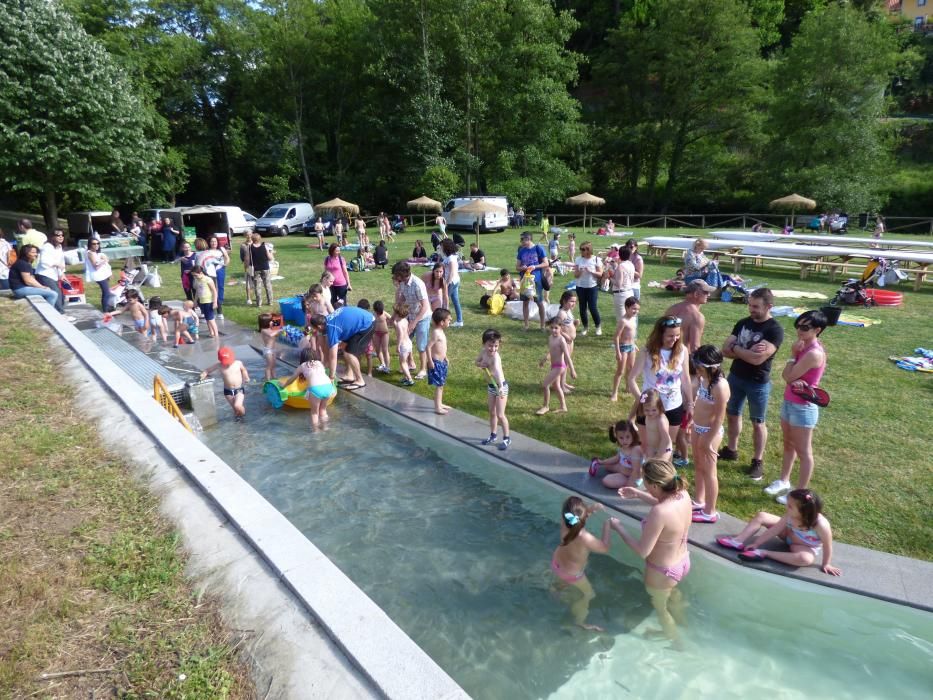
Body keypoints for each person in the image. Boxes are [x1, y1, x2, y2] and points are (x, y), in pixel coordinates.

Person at [611, 460, 692, 644]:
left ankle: (677, 644)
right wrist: (638, 494)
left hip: (662, 571)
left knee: (661, 609)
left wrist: (619, 528)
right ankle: (683, 624)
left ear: (655, 485)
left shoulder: (658, 512)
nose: (644, 485)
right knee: (672, 593)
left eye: (645, 483)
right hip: (683, 562)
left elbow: (643, 551)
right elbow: (664, 501)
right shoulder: (682, 494)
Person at [719, 288, 784, 481]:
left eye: (756, 306)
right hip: (736, 377)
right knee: (732, 414)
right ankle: (732, 449)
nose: (751, 309)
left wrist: (737, 348)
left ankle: (757, 460)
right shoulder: (742, 323)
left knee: (758, 422)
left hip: (758, 382)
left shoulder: (774, 330)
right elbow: (724, 349)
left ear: (769, 306)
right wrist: (745, 351)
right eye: (750, 305)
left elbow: (758, 360)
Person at [765, 310, 828, 504]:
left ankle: (800, 494)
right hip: (790, 401)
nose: (799, 330)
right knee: (788, 444)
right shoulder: (803, 347)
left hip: (803, 407)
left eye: (805, 327)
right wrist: (793, 360)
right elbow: (788, 376)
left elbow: (788, 376)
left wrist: (792, 356)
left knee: (804, 451)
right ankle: (784, 481)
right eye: (798, 325)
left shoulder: (813, 353)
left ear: (817, 330)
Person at [716, 489, 841, 576]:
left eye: (790, 506)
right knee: (762, 516)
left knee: (805, 559)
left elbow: (827, 545)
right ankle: (738, 541)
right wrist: (757, 543)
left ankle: (765, 553)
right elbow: (776, 529)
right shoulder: (790, 515)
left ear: (804, 512)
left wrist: (826, 564)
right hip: (787, 533)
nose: (786, 507)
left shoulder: (821, 524)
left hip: (802, 546)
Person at [627, 316, 693, 450]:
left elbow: (685, 378)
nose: (674, 339)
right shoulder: (647, 352)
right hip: (650, 407)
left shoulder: (682, 351)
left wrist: (691, 404)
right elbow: (631, 379)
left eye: (677, 335)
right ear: (660, 334)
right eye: (670, 336)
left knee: (667, 446)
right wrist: (642, 400)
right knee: (646, 446)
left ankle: (662, 470)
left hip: (673, 405)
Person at [551, 497, 612, 632]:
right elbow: (605, 548)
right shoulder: (585, 538)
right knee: (589, 595)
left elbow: (576, 520)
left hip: (556, 563)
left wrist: (590, 509)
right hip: (572, 574)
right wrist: (607, 526)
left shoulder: (565, 522)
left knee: (561, 581)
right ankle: (580, 622)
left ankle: (556, 590)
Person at [689, 345, 730, 524]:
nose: (696, 369)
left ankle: (710, 511)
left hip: (709, 432)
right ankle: (699, 500)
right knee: (698, 465)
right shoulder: (704, 378)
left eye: (699, 366)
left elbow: (720, 417)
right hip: (698, 428)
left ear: (712, 367)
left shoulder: (720, 386)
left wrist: (708, 439)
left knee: (709, 471)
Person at [310, 305, 375, 390]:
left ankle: (360, 381)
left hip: (367, 324)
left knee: (349, 354)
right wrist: (324, 367)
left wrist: (331, 377)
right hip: (358, 322)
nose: (316, 331)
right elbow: (326, 351)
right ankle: (350, 375)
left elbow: (333, 357)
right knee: (345, 348)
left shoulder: (332, 328)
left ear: (319, 326)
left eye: (315, 329)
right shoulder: (327, 320)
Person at [278, 347, 336, 429]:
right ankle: (326, 428)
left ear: (303, 358)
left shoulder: (302, 366)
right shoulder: (319, 363)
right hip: (328, 387)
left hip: (316, 390)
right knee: (323, 410)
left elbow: (291, 380)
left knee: (314, 413)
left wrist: (283, 386)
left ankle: (316, 433)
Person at [392, 261, 431, 379]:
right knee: (406, 341)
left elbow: (425, 306)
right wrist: (394, 315)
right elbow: (403, 298)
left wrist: (414, 323)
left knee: (421, 344)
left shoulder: (417, 284)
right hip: (410, 315)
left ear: (402, 274)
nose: (394, 277)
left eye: (396, 275)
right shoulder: (403, 283)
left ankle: (423, 369)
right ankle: (410, 363)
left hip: (422, 317)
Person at [476, 328, 510, 450]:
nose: (493, 349)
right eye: (490, 346)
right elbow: (476, 362)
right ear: (484, 344)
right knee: (492, 413)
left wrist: (500, 387)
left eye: (496, 346)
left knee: (500, 414)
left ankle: (507, 438)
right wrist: (481, 364)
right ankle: (493, 435)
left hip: (501, 387)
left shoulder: (496, 358)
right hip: (491, 387)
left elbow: (497, 373)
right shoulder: (483, 352)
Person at [536, 317, 576, 415]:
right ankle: (563, 407)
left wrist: (572, 370)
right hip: (554, 366)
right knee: (556, 386)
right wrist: (544, 359)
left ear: (561, 328)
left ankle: (546, 406)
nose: (553, 330)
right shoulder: (550, 338)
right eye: (552, 328)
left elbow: (567, 356)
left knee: (545, 384)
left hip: (560, 367)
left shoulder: (561, 340)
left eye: (556, 328)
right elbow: (552, 351)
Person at [200, 346, 249, 421]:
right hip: (228, 391)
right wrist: (204, 374)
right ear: (220, 360)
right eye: (226, 362)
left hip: (239, 389)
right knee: (235, 409)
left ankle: (244, 417)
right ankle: (239, 420)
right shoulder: (219, 365)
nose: (228, 364)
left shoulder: (238, 363)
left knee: (237, 405)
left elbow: (244, 370)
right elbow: (207, 370)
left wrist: (246, 377)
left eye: (229, 361)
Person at [594, 420, 643, 490]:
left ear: (633, 435)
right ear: (617, 437)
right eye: (621, 438)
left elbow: (637, 472)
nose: (624, 441)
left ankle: (624, 481)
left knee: (606, 481)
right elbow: (617, 458)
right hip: (623, 469)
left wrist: (628, 486)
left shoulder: (635, 450)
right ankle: (618, 471)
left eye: (627, 437)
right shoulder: (623, 447)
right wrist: (602, 462)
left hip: (630, 477)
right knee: (607, 466)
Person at [665, 279, 712, 353]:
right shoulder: (697, 317)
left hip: (664, 354)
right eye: (706, 292)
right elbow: (695, 347)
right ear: (696, 294)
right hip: (681, 357)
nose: (709, 294)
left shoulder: (671, 309)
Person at [9, 244, 61, 309]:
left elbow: (31, 278)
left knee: (48, 291)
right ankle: (49, 312)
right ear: (25, 253)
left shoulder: (26, 263)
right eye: (33, 252)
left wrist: (42, 287)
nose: (36, 254)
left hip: (23, 288)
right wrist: (42, 287)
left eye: (36, 252)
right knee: (53, 294)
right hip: (20, 289)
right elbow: (28, 281)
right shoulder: (23, 264)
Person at [610, 296, 640, 402]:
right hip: (623, 348)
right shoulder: (623, 321)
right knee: (620, 371)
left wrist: (634, 344)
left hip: (631, 347)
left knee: (631, 368)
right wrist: (618, 352)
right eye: (633, 309)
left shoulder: (634, 319)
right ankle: (614, 393)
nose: (635, 311)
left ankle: (628, 387)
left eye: (637, 309)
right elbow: (616, 337)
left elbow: (632, 334)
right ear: (626, 308)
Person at [516, 231, 548, 331]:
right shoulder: (521, 250)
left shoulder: (538, 248)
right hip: (525, 280)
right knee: (525, 302)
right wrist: (522, 268)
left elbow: (546, 263)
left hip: (536, 279)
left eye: (522, 239)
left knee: (539, 302)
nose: (521, 241)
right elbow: (517, 267)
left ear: (528, 239)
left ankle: (542, 325)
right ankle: (526, 325)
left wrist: (535, 266)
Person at [573, 242, 603, 336]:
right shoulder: (578, 259)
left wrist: (591, 271)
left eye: (583, 249)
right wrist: (580, 272)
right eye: (580, 249)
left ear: (588, 250)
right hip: (580, 287)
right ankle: (585, 327)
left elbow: (600, 274)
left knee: (592, 307)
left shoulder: (596, 259)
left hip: (592, 287)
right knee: (582, 308)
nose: (581, 251)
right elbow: (576, 275)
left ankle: (598, 326)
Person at [197, 236, 229, 319]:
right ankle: (209, 310)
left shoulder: (221, 250)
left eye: (215, 241)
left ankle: (219, 306)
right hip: (210, 273)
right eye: (212, 241)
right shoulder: (206, 252)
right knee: (209, 290)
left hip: (220, 270)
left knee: (219, 288)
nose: (214, 243)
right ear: (209, 243)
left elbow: (227, 259)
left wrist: (224, 263)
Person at [427, 308, 452, 414]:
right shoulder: (436, 333)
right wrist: (430, 361)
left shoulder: (440, 331)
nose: (450, 321)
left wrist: (445, 356)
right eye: (449, 320)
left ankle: (439, 403)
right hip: (436, 363)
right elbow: (428, 347)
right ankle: (437, 407)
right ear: (442, 322)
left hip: (442, 362)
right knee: (439, 386)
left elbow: (441, 347)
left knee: (441, 384)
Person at [35, 229, 67, 312]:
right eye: (58, 235)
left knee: (61, 295)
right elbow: (44, 262)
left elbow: (61, 262)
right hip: (44, 274)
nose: (61, 237)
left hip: (54, 275)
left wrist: (62, 274)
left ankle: (59, 312)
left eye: (62, 235)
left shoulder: (59, 247)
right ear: (52, 237)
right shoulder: (47, 247)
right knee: (56, 294)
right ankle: (61, 314)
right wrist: (56, 264)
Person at [636, 389, 673, 460]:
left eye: (654, 410)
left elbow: (666, 440)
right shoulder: (648, 417)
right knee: (648, 467)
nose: (650, 413)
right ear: (642, 408)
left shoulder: (660, 420)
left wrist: (660, 456)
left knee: (662, 469)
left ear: (659, 407)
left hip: (664, 449)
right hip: (651, 447)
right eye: (647, 410)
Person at [555, 291, 578, 393]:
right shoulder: (561, 313)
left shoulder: (568, 311)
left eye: (575, 302)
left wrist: (575, 323)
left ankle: (563, 382)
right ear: (564, 301)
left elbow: (568, 325)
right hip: (565, 341)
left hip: (570, 341)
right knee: (563, 363)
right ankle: (560, 385)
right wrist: (566, 336)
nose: (573, 304)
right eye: (571, 301)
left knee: (566, 363)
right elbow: (556, 328)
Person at [606, 245, 635, 324]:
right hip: (630, 291)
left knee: (621, 318)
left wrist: (609, 278)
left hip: (621, 294)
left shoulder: (621, 266)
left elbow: (619, 284)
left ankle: (622, 335)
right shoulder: (631, 264)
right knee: (630, 317)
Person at [83, 239, 114, 312]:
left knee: (106, 292)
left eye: (98, 243)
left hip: (102, 275)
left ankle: (106, 307)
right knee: (106, 292)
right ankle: (105, 310)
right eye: (94, 244)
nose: (96, 245)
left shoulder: (95, 253)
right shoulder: (90, 253)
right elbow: (96, 266)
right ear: (90, 245)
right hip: (98, 276)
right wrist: (104, 260)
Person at [247, 233, 275, 307]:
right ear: (260, 239)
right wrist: (271, 252)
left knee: (257, 286)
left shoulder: (250, 247)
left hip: (255, 269)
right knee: (268, 285)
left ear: (252, 239)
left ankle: (259, 303)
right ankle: (270, 302)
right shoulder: (264, 246)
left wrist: (247, 267)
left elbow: (248, 259)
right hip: (265, 268)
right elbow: (270, 258)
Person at [191, 266, 219, 338]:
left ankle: (216, 334)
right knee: (207, 318)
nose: (194, 277)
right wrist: (195, 301)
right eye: (193, 275)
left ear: (201, 273)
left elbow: (214, 291)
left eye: (195, 275)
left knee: (211, 319)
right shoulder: (197, 280)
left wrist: (215, 302)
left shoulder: (208, 279)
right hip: (202, 301)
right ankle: (211, 332)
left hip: (209, 301)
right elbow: (197, 291)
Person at [440, 239, 463, 327]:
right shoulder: (448, 257)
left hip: (452, 282)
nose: (441, 248)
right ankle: (459, 321)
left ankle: (445, 321)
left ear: (446, 247)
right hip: (454, 281)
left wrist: (447, 283)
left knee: (444, 301)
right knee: (455, 301)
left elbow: (452, 272)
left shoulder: (451, 258)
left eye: (442, 246)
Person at [393, 302, 415, 386]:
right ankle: (406, 377)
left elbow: (400, 335)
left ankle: (410, 379)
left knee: (402, 363)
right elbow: (406, 331)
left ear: (398, 314)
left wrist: (398, 346)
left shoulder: (399, 324)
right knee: (405, 361)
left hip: (403, 345)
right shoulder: (405, 320)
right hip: (409, 343)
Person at [324, 243, 351, 307]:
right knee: (332, 301)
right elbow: (326, 271)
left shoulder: (341, 259)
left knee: (342, 302)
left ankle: (344, 315)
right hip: (330, 284)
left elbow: (345, 272)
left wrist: (349, 284)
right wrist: (324, 282)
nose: (338, 252)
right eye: (337, 251)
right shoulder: (327, 259)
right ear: (332, 251)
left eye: (339, 250)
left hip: (341, 284)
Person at [372, 300, 391, 374]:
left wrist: (390, 324)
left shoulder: (384, 313)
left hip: (384, 334)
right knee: (377, 350)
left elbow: (391, 318)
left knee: (385, 350)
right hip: (376, 333)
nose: (378, 314)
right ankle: (382, 364)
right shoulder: (373, 315)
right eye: (377, 312)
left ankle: (387, 366)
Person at [258, 313, 279, 380]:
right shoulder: (263, 330)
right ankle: (267, 380)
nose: (272, 322)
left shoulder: (271, 329)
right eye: (271, 321)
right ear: (266, 323)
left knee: (273, 365)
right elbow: (271, 335)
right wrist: (279, 330)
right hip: (268, 350)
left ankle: (274, 378)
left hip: (273, 350)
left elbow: (275, 335)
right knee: (269, 366)